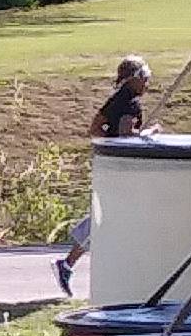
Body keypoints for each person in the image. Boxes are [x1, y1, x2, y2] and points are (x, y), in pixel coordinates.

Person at [55, 57, 153, 297]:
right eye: (145, 77)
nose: (148, 82)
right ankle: (70, 265)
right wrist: (148, 135)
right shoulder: (131, 104)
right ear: (136, 78)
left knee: (107, 218)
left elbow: (95, 130)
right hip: (123, 171)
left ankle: (68, 264)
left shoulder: (116, 100)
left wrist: (109, 147)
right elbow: (126, 135)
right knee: (113, 218)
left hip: (110, 167)